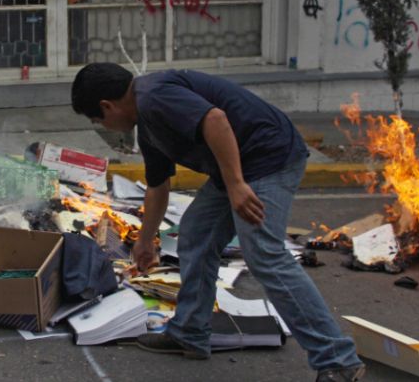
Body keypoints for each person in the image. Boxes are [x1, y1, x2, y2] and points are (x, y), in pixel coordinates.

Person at [71, 63, 365, 382]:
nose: (104, 126)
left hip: (269, 158)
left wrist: (237, 184)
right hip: (239, 167)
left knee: (264, 254)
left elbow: (215, 119)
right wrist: (145, 240)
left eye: (98, 120)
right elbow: (158, 186)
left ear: (107, 106)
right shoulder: (148, 123)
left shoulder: (154, 97)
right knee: (196, 234)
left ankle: (338, 360)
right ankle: (189, 332)